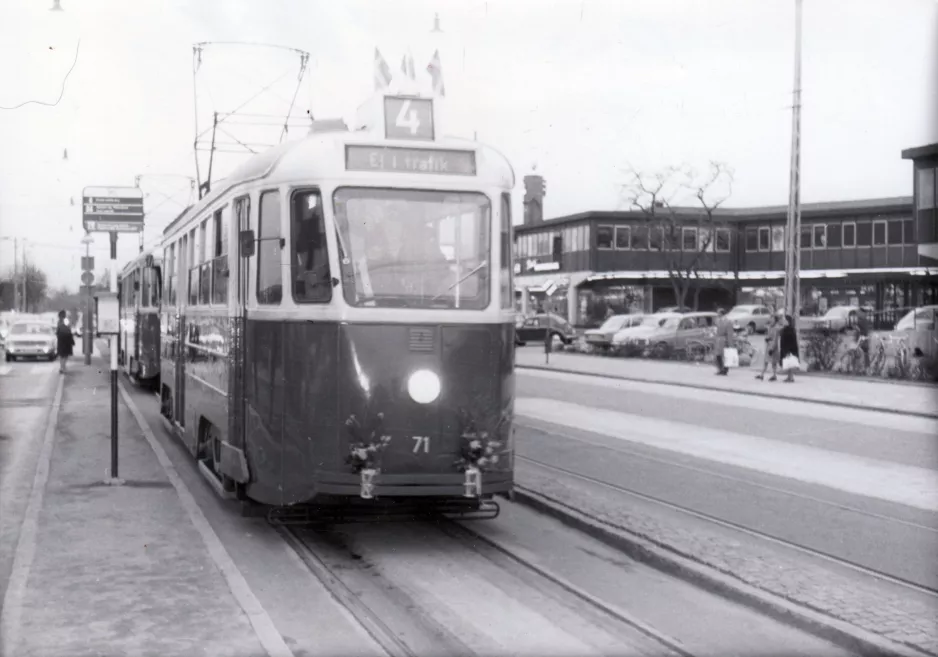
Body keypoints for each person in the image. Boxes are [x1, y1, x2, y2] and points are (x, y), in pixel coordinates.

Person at [756, 313, 781, 381]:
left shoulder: (776, 328)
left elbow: (775, 339)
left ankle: (774, 375)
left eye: (772, 319)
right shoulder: (770, 327)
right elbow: (768, 335)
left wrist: (772, 348)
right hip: (768, 345)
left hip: (772, 346)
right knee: (766, 361)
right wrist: (767, 338)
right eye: (770, 318)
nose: (771, 320)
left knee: (773, 362)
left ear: (775, 320)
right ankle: (762, 374)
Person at [713, 307, 735, 375]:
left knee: (726, 355)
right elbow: (716, 330)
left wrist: (730, 342)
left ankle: (725, 370)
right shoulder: (717, 321)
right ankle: (720, 368)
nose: (717, 314)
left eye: (718, 313)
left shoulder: (728, 321)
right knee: (718, 355)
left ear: (722, 313)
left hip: (724, 339)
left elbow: (730, 333)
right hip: (718, 339)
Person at [779, 314, 800, 383]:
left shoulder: (790, 329)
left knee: (790, 363)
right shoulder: (785, 328)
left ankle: (791, 377)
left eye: (784, 320)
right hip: (785, 348)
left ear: (788, 321)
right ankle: (789, 376)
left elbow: (792, 341)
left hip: (789, 349)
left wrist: (789, 350)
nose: (783, 321)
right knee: (788, 363)